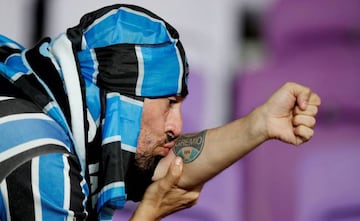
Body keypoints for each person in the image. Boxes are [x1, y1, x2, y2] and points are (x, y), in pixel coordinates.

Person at [0, 4, 321, 221]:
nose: (177, 125)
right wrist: (150, 211)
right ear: (124, 102)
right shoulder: (39, 159)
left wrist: (260, 124)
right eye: (168, 104)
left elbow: (168, 165)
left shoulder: (60, 101)